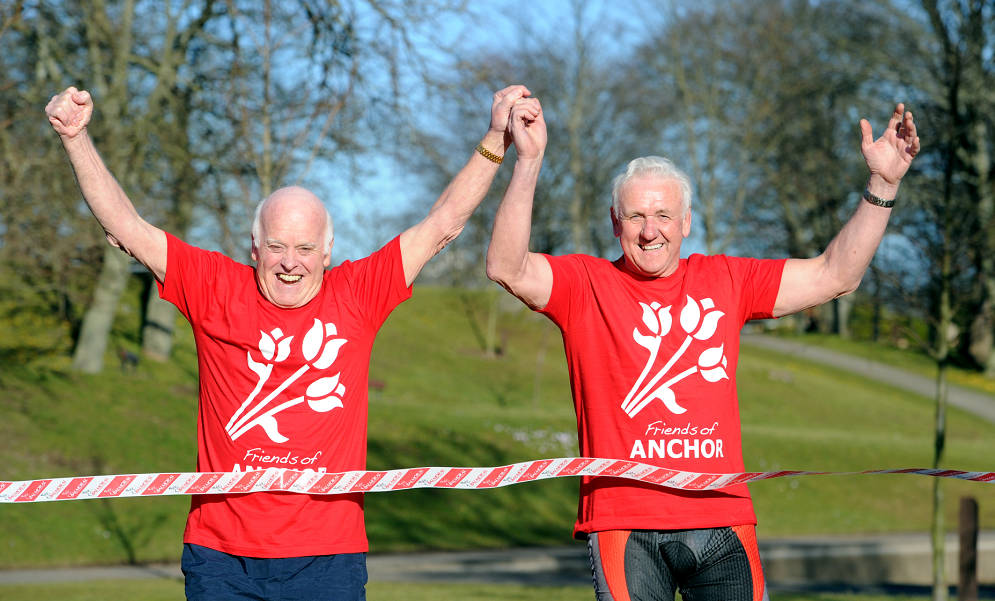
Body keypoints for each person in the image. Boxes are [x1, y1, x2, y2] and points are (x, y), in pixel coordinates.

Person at [46, 83, 531, 601]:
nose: (289, 261)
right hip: (221, 558)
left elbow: (443, 223)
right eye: (276, 246)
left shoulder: (358, 294)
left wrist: (494, 138)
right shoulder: (214, 286)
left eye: (304, 247)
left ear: (327, 251)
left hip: (328, 558)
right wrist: (76, 138)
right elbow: (126, 224)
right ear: (255, 247)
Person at [486, 98, 920, 600]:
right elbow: (506, 266)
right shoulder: (585, 284)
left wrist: (883, 186)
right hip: (625, 525)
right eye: (636, 216)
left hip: (722, 521)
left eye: (664, 215)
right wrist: (529, 160)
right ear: (614, 222)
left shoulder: (726, 279)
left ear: (686, 222)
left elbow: (836, 275)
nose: (651, 231)